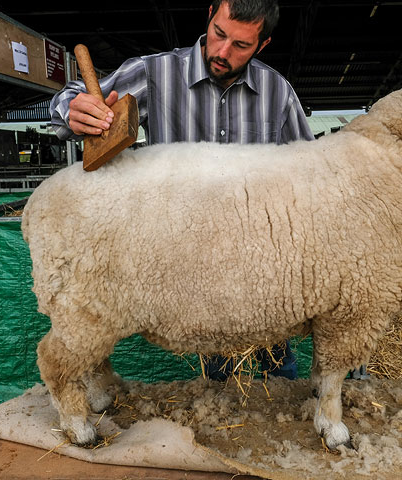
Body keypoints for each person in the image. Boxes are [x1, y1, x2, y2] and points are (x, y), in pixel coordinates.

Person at [49, 0, 314, 381]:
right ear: (209, 14)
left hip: (258, 266)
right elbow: (70, 93)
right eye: (219, 34)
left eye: (240, 45)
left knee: (280, 369)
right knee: (218, 372)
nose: (222, 52)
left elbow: (306, 169)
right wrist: (75, 108)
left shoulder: (278, 92)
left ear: (263, 44)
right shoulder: (154, 73)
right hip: (188, 260)